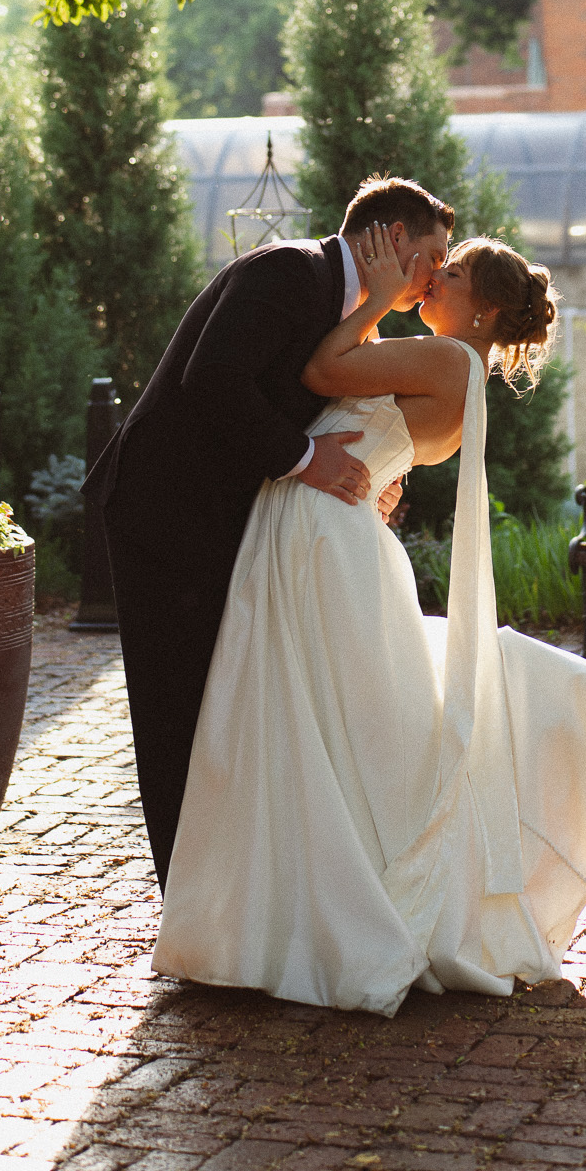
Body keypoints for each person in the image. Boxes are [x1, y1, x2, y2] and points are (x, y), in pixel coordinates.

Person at [153, 225, 586, 1015]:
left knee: (309, 712)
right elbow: (379, 442)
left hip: (320, 533)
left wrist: (381, 299)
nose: (431, 278)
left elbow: (323, 369)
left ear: (485, 314)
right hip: (324, 524)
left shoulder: (445, 358)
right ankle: (296, 904)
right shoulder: (450, 366)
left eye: (450, 273)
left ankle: (321, 913)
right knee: (322, 717)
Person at [86, 177, 455, 890]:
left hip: (230, 523)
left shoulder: (351, 311)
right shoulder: (289, 270)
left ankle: (234, 891)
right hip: (168, 513)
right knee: (178, 711)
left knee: (226, 705)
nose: (437, 273)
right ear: (392, 239)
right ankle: (190, 901)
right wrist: (309, 461)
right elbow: (213, 380)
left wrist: (378, 475)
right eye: (432, 254)